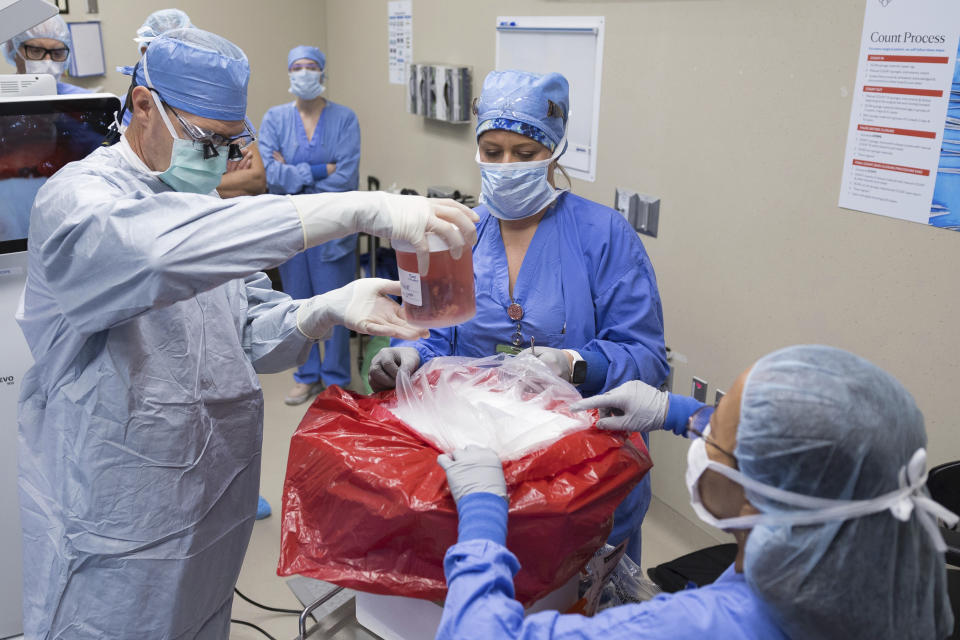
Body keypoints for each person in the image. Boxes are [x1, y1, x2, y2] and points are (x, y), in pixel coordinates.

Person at [15, 27, 477, 639]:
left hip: (210, 510)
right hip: (115, 528)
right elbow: (156, 255)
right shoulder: (77, 200)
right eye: (207, 141)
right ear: (144, 106)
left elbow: (249, 334)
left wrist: (323, 309)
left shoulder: (200, 204)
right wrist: (360, 208)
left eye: (233, 146)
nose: (219, 162)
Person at [435, 345, 957, 639]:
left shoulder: (702, 628)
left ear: (755, 495)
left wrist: (482, 520)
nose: (701, 438)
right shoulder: (893, 562)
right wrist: (679, 412)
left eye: (714, 436)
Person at [370, 69, 668, 563]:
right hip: (480, 458)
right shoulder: (462, 231)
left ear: (553, 151)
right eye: (493, 152)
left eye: (525, 154)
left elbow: (647, 358)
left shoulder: (604, 236)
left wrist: (575, 364)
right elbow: (441, 337)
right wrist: (407, 353)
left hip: (577, 464)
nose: (506, 166)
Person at [260, 46, 361, 405]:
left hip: (333, 228)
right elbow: (271, 175)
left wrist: (294, 173)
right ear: (289, 73)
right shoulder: (274, 119)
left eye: (311, 67)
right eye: (297, 67)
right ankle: (305, 374)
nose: (304, 73)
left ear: (322, 73)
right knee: (297, 303)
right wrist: (321, 170)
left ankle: (334, 380)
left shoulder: (345, 119)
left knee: (334, 307)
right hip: (292, 226)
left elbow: (346, 175)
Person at [2, 14, 90, 95]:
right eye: (36, 51)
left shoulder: (84, 100)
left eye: (57, 53)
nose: (48, 61)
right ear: (12, 49)